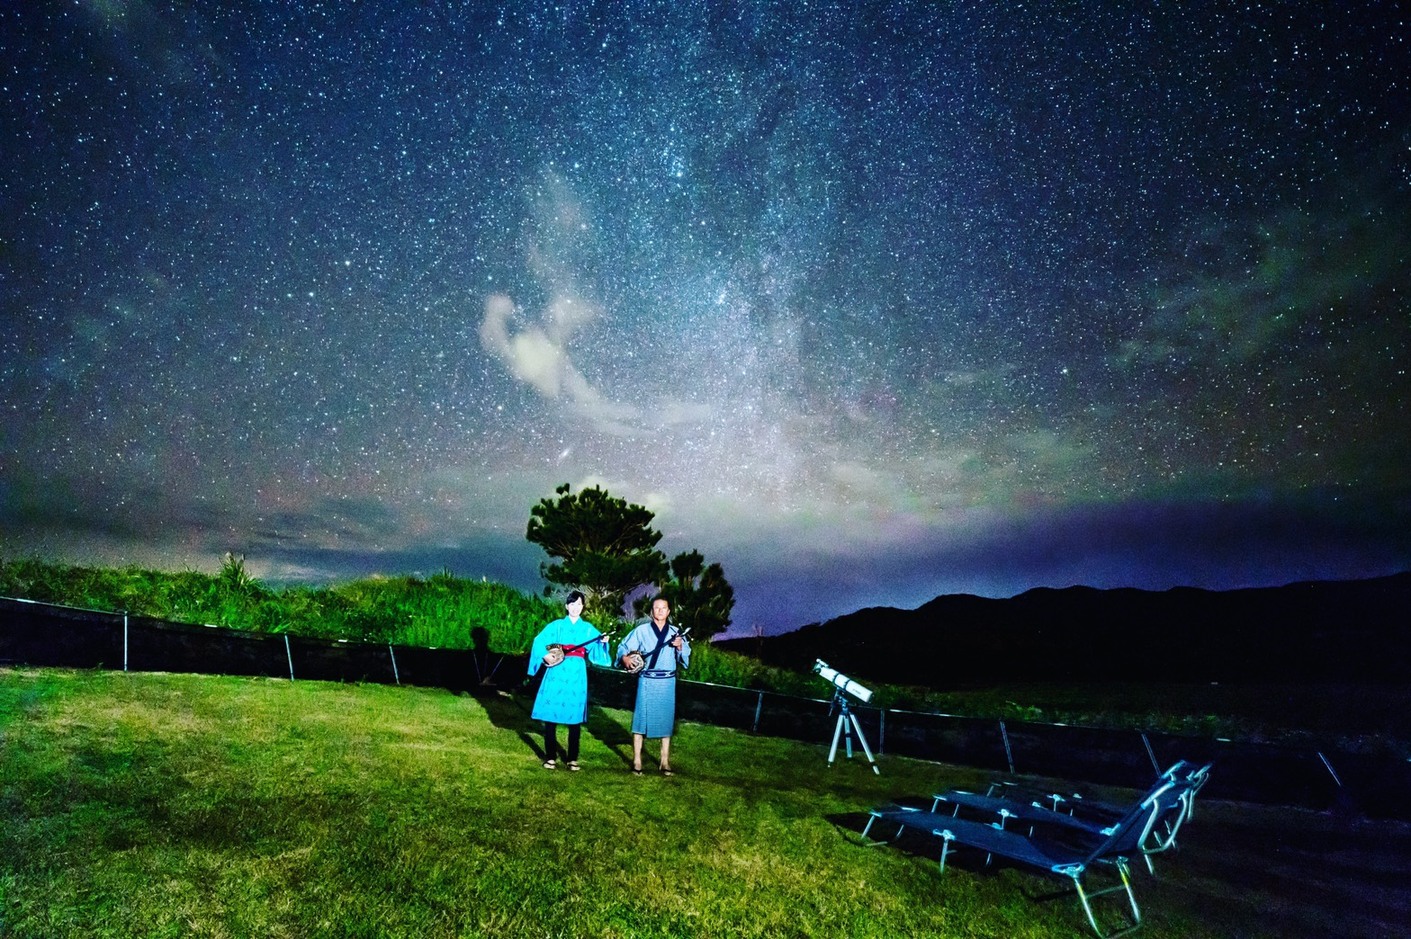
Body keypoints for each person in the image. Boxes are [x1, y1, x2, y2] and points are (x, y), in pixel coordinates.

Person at [527, 590, 610, 770]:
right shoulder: (556, 626)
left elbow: (597, 648)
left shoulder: (588, 629)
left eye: (579, 604)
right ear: (566, 606)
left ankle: (572, 758)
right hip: (557, 670)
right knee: (550, 714)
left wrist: (603, 641)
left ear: (583, 607)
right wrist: (545, 656)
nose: (575, 608)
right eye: (572, 604)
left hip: (576, 674)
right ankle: (550, 757)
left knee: (574, 717)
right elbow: (539, 641)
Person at [617, 596, 691, 776]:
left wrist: (680, 647)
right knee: (640, 721)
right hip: (647, 680)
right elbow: (623, 647)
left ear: (668, 611)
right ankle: (637, 761)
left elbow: (685, 658)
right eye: (656, 608)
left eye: (663, 608)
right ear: (652, 611)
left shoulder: (676, 633)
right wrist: (625, 658)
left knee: (666, 721)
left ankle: (664, 761)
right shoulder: (641, 631)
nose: (659, 611)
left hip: (667, 682)